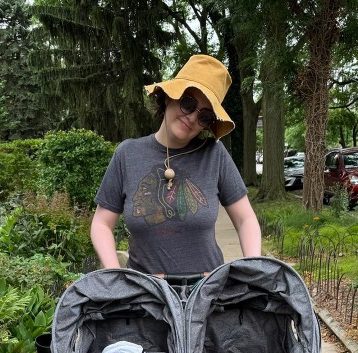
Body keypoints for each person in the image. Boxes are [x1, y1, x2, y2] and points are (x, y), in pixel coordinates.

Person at [91, 54, 262, 274]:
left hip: (206, 294)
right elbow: (101, 224)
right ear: (168, 97)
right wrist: (116, 276)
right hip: (145, 296)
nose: (192, 118)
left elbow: (245, 219)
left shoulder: (214, 155)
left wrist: (256, 269)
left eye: (205, 116)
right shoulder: (128, 154)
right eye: (188, 103)